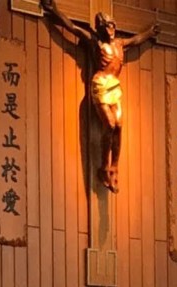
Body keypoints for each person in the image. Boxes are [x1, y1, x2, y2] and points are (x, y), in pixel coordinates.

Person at [40, 0, 158, 192]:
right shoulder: (95, 42)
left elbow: (136, 40)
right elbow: (73, 28)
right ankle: (104, 166)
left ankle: (114, 166)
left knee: (119, 124)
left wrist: (149, 33)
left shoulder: (120, 44)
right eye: (105, 26)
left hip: (114, 86)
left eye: (111, 25)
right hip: (100, 84)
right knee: (109, 124)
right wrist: (56, 12)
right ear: (99, 29)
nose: (109, 29)